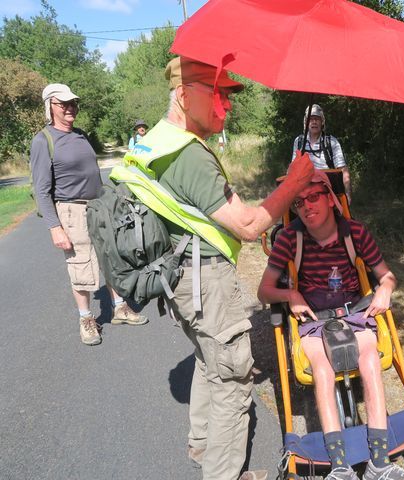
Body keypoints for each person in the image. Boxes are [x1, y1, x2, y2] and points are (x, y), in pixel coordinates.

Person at [123, 56, 314, 480]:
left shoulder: (155, 140)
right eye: (219, 96)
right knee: (233, 380)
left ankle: (202, 445)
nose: (226, 108)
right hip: (204, 281)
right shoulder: (188, 154)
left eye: (228, 98)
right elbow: (247, 225)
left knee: (210, 361)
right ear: (183, 94)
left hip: (179, 279)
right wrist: (293, 185)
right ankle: (223, 473)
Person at [257, 170, 404, 480]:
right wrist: (291, 294)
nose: (307, 206)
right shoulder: (290, 238)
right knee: (322, 370)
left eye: (314, 196)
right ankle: (340, 467)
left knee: (370, 361)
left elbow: (387, 275)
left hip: (354, 313)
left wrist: (384, 289)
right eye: (299, 201)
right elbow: (264, 290)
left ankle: (378, 463)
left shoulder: (355, 232)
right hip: (314, 319)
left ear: (331, 199)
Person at [29, 84, 148, 346]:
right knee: (80, 264)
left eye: (73, 103)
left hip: (98, 207)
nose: (71, 108)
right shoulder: (43, 140)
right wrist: (54, 227)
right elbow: (41, 189)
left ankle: (119, 307)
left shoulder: (81, 135)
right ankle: (86, 319)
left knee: (110, 257)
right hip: (71, 211)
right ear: (50, 106)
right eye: (64, 104)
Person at [292, 104, 352, 203]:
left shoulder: (332, 142)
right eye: (311, 119)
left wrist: (348, 195)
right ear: (306, 122)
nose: (314, 122)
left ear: (322, 122)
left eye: (317, 119)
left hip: (328, 193)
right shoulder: (299, 142)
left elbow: (343, 170)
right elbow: (293, 170)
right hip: (304, 194)